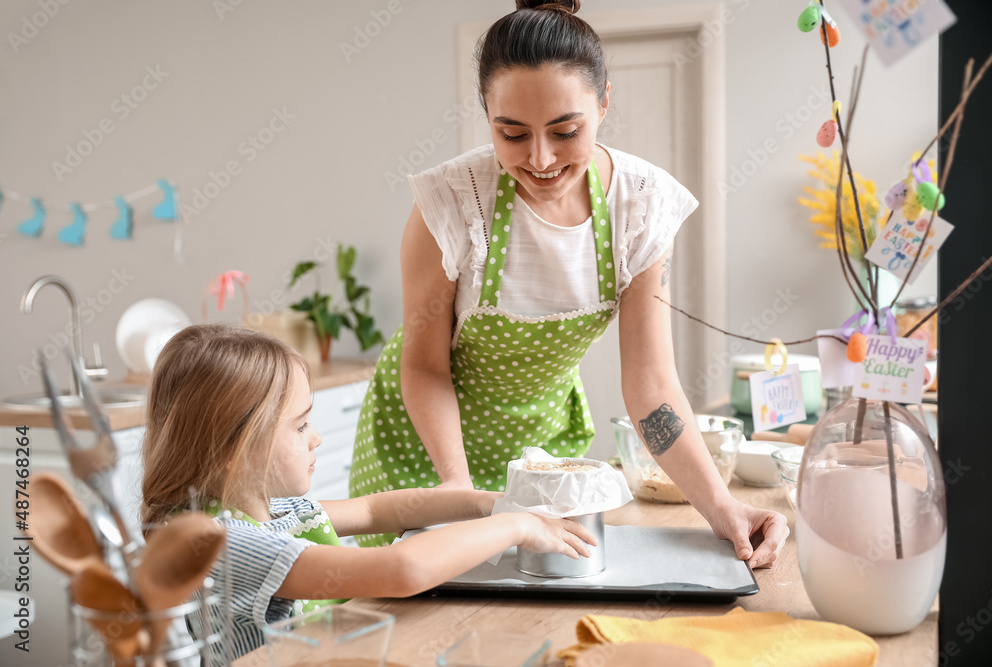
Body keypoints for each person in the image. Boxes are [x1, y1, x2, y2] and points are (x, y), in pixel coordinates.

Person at [350, 0, 789, 564]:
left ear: (604, 100)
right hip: (422, 449)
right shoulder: (453, 204)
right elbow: (425, 365)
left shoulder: (640, 208)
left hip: (543, 454)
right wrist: (456, 489)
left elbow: (651, 385)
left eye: (565, 131)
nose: (539, 159)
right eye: (511, 134)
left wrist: (722, 506)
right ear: (486, 113)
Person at [141, 323, 596, 658]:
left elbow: (381, 509)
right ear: (233, 448)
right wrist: (514, 525)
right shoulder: (217, 541)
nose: (316, 437)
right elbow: (401, 569)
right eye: (300, 426)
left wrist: (491, 502)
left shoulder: (266, 506)